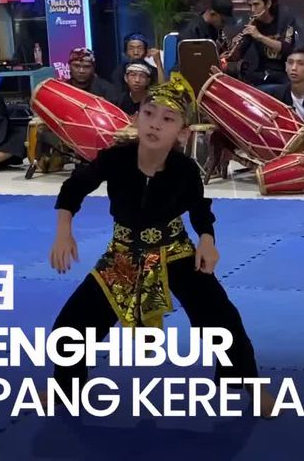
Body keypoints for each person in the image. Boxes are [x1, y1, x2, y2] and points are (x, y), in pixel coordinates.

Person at [48, 72, 275, 417]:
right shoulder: (116, 158)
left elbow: (200, 210)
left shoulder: (185, 170)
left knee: (222, 319)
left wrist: (207, 242)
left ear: (181, 133)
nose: (155, 124)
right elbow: (73, 189)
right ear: (137, 117)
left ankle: (249, 384)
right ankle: (66, 388)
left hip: (175, 251)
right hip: (123, 255)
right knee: (70, 326)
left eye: (167, 119)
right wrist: (64, 231)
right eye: (149, 113)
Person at [222, 0, 297, 86]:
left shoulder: (285, 18)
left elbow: (287, 48)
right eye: (250, 5)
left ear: (268, 4)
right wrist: (233, 48)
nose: (252, 10)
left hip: (285, 72)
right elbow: (238, 55)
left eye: (256, 4)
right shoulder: (252, 23)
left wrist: (259, 36)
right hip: (263, 72)